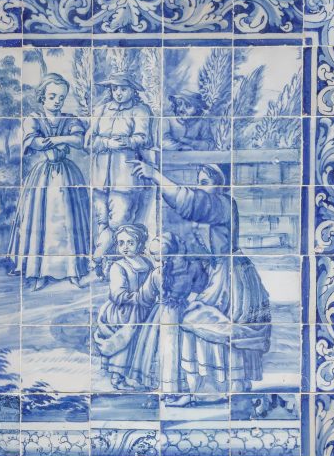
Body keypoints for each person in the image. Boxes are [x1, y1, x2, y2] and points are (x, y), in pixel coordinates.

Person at [131, 160, 271, 391]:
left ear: (220, 185)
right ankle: (211, 387)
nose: (200, 188)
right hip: (221, 273)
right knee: (206, 326)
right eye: (199, 183)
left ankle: (223, 387)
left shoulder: (222, 204)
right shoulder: (218, 206)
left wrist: (156, 176)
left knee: (209, 324)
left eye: (205, 182)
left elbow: (192, 202)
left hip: (230, 277)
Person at [8, 73, 90, 291]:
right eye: (52, 96)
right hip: (43, 175)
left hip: (67, 174)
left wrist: (53, 140)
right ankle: (38, 273)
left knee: (69, 221)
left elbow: (79, 140)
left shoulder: (69, 118)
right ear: (42, 96)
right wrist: (60, 142)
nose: (57, 101)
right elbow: (33, 142)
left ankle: (73, 271)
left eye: (61, 98)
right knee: (40, 221)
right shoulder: (33, 118)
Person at [87, 71, 154, 275]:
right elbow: (88, 141)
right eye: (114, 88)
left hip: (125, 177)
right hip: (100, 177)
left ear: (132, 90)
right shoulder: (100, 110)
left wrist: (127, 141)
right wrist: (107, 143)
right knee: (102, 222)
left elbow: (144, 138)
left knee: (119, 223)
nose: (118, 92)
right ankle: (107, 265)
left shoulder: (140, 110)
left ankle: (98, 258)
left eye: (123, 88)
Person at [127, 233, 208, 393]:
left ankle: (166, 387)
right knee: (182, 350)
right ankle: (182, 387)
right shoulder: (193, 267)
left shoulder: (157, 273)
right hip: (186, 312)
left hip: (163, 313)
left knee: (163, 349)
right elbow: (201, 288)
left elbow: (144, 297)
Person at [93, 224, 153, 390]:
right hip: (124, 310)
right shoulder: (118, 266)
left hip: (145, 308)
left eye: (130, 242)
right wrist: (139, 297)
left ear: (139, 244)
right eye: (121, 243)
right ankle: (117, 378)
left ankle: (139, 375)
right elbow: (117, 294)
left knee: (143, 341)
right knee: (125, 339)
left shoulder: (147, 263)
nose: (125, 247)